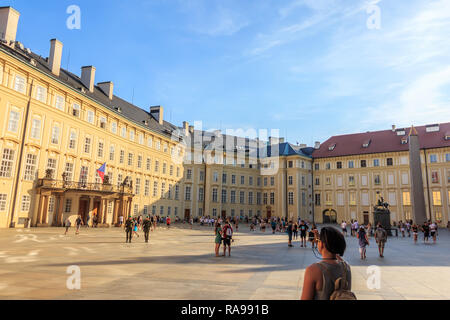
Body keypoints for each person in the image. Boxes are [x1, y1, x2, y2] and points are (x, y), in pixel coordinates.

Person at [301, 227, 353, 300]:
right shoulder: (346, 267)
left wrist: (321, 243)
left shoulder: (313, 270)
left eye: (318, 241)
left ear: (322, 244)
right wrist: (322, 243)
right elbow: (335, 256)